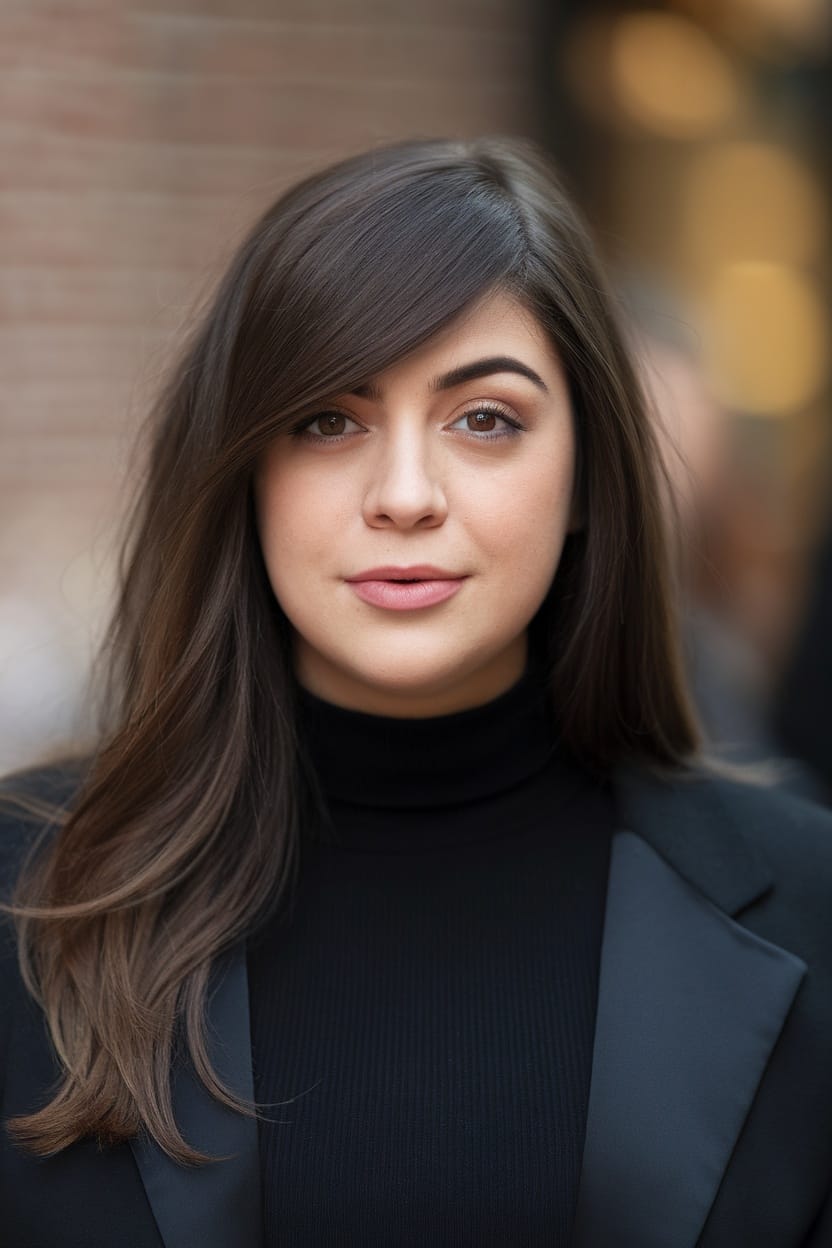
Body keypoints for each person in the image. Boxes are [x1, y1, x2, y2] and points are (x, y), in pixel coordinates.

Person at [1, 138, 831, 1248]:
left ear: (587, 474)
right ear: (245, 469)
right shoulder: (23, 900)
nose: (403, 495)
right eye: (327, 420)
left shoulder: (806, 903)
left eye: (484, 420)